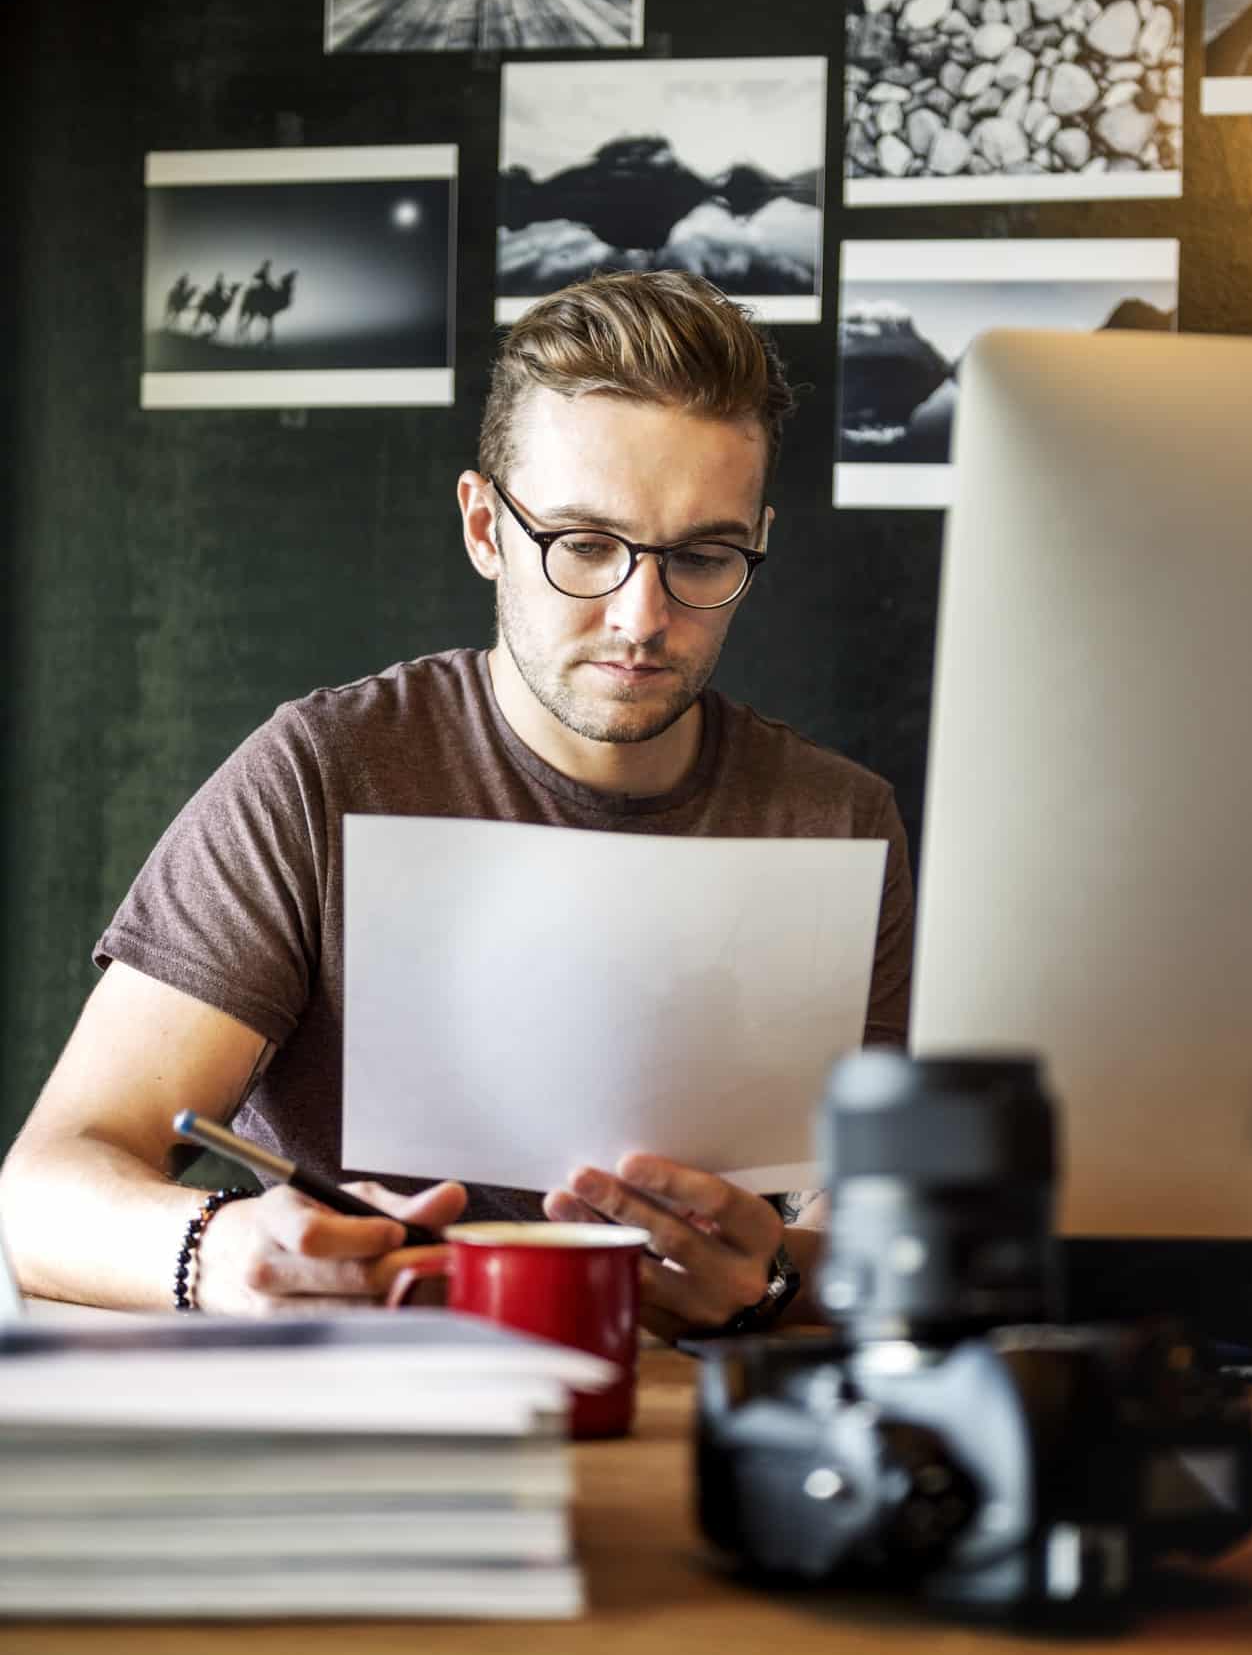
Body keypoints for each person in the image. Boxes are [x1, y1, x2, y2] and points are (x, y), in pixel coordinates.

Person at [0, 271, 914, 1336]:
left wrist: (780, 1282)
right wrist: (226, 1250)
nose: (641, 614)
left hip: (683, 1409)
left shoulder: (837, 821)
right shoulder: (321, 774)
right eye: (581, 543)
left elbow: (884, 1239)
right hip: (365, 1408)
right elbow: (43, 1191)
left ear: (755, 541)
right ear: (485, 526)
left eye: (703, 556)